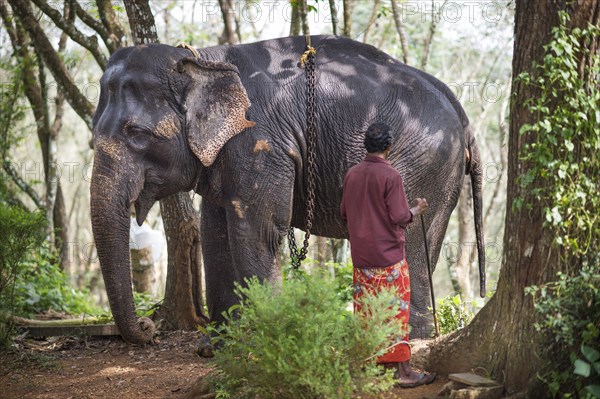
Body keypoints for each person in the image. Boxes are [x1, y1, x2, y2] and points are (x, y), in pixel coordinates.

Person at [340, 122, 436, 388]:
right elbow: (400, 217)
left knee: (368, 312)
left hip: (362, 260)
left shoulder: (352, 174)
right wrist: (418, 209)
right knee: (396, 312)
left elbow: (344, 213)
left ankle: (370, 366)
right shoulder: (391, 176)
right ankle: (403, 373)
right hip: (389, 260)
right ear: (389, 146)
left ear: (366, 146)